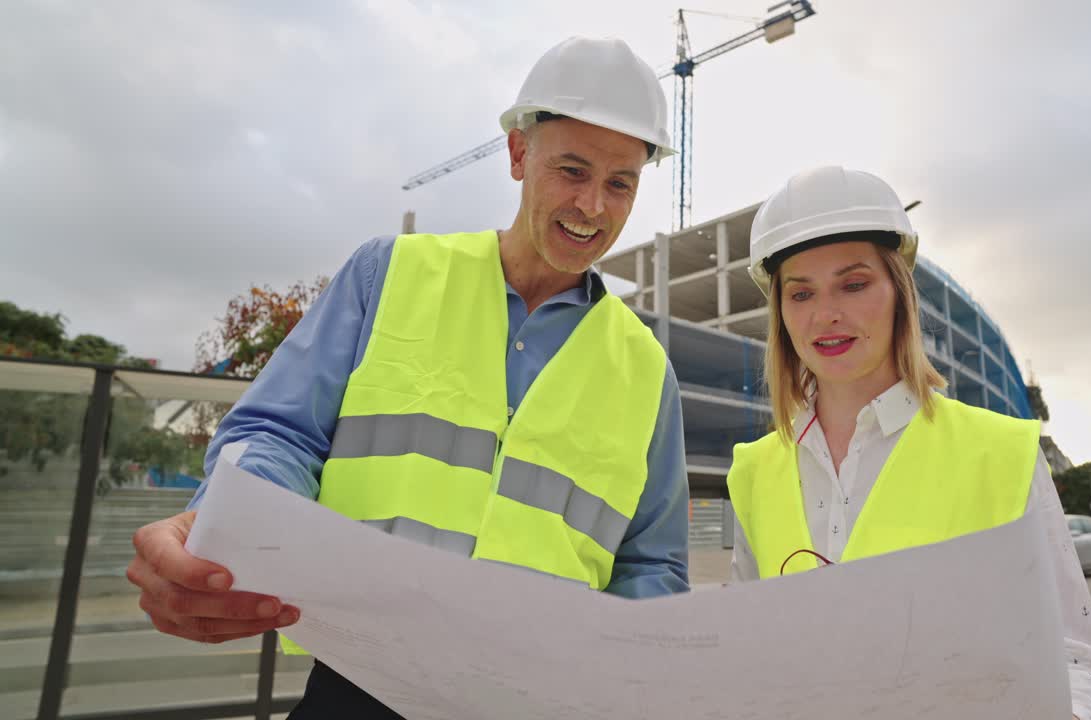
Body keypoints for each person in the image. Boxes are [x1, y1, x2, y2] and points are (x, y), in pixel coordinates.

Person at [126, 36, 691, 718]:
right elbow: (279, 434)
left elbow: (650, 564)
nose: (593, 207)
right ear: (518, 154)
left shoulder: (646, 369)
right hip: (362, 684)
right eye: (572, 171)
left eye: (620, 183)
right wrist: (226, 527)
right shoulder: (387, 275)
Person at [726, 166, 1091, 719]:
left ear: (899, 294)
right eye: (800, 293)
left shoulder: (1000, 453)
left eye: (855, 284)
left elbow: (1076, 665)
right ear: (781, 314)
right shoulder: (752, 471)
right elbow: (750, 655)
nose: (825, 313)